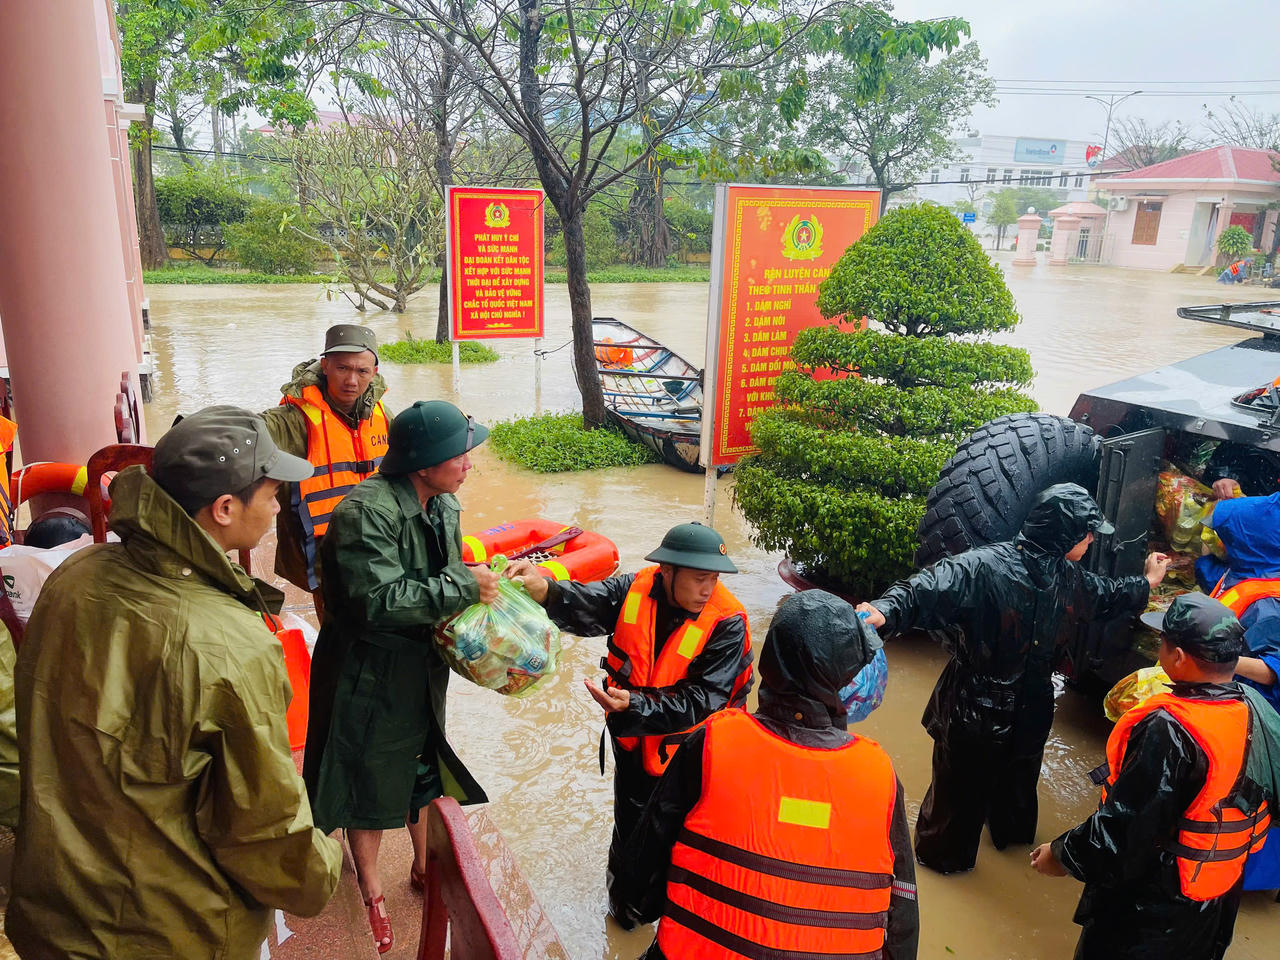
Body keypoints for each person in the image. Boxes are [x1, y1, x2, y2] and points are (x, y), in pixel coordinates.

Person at [6, 406, 342, 958]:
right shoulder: (232, 643)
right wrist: (322, 866)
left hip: (56, 906)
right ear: (226, 508)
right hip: (173, 930)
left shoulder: (77, 573)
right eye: (272, 493)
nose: (279, 505)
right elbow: (262, 827)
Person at [857, 483, 1169, 874]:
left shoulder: (1067, 576)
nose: (1091, 539)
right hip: (975, 705)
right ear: (1063, 533)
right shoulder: (983, 567)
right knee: (956, 805)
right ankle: (941, 867)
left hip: (1033, 706)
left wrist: (1148, 583)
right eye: (1086, 531)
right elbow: (925, 589)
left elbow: (1107, 595)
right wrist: (884, 611)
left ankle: (1012, 849)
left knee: (1018, 797)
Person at [616, 590, 918, 959]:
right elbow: (902, 918)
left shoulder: (713, 742)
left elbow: (638, 885)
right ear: (846, 681)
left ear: (769, 663)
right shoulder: (880, 776)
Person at [303, 400, 499, 955]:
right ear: (422, 462)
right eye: (458, 454)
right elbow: (376, 601)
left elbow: (447, 571)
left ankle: (420, 864)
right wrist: (464, 588)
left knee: (421, 758)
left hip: (418, 662)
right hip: (366, 666)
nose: (467, 464)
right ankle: (370, 884)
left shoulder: (443, 504)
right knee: (367, 771)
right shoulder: (365, 513)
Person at [505, 521, 753, 925]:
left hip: (691, 759)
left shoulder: (727, 623)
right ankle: (625, 915)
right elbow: (587, 602)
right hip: (635, 746)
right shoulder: (634, 589)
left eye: (714, 579)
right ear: (667, 571)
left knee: (680, 841)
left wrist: (634, 705)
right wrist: (546, 591)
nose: (708, 589)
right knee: (629, 832)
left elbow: (705, 701)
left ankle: (668, 917)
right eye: (699, 578)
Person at [1030, 593, 1271, 960]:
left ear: (1177, 657)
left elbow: (1124, 827)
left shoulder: (1170, 727)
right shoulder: (1254, 709)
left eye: (1163, 641)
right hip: (1215, 897)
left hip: (1152, 904)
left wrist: (1062, 856)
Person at [260, 323, 391, 613]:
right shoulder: (293, 419)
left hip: (378, 543)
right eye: (343, 368)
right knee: (336, 630)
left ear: (374, 373)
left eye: (362, 371)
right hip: (323, 552)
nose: (352, 381)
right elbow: (250, 433)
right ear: (325, 366)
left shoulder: (381, 413)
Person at [1194, 487, 1280, 889]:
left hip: (1257, 713)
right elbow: (1211, 570)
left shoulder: (1270, 607)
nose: (1217, 544)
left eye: (1225, 538)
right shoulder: (1246, 570)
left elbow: (1273, 669)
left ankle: (1233, 875)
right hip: (1227, 701)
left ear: (1245, 543)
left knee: (1244, 795)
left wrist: (1209, 659)